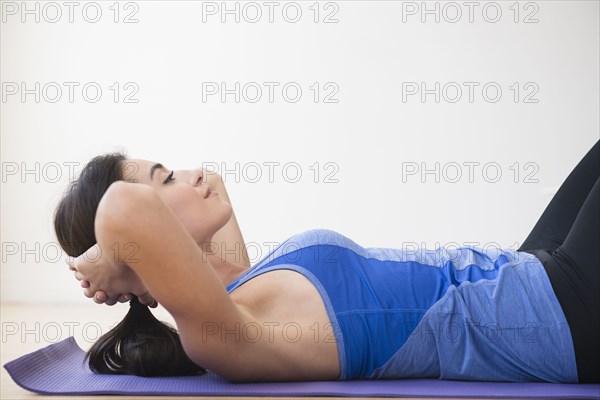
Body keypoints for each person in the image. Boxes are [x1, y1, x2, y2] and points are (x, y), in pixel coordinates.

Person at [54, 140, 599, 383]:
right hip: (557, 316)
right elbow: (127, 208)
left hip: (525, 273)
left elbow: (212, 187)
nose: (193, 173)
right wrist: (113, 259)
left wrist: (130, 262)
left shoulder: (235, 288)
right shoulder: (222, 336)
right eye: (166, 179)